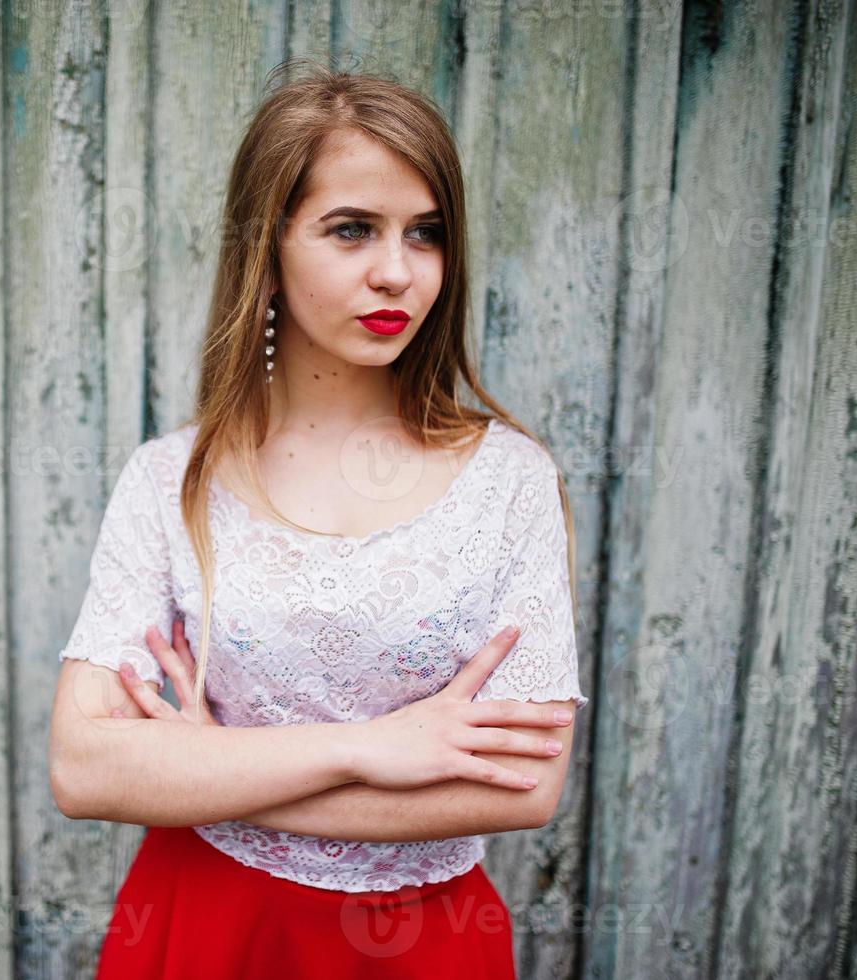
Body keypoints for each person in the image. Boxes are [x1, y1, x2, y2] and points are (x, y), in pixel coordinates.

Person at [48, 58, 589, 979]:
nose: (396, 271)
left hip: (423, 942)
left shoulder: (509, 481)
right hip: (209, 923)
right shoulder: (168, 479)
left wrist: (209, 771)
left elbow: (524, 785)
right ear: (268, 244)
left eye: (425, 234)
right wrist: (372, 748)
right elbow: (85, 769)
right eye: (350, 230)